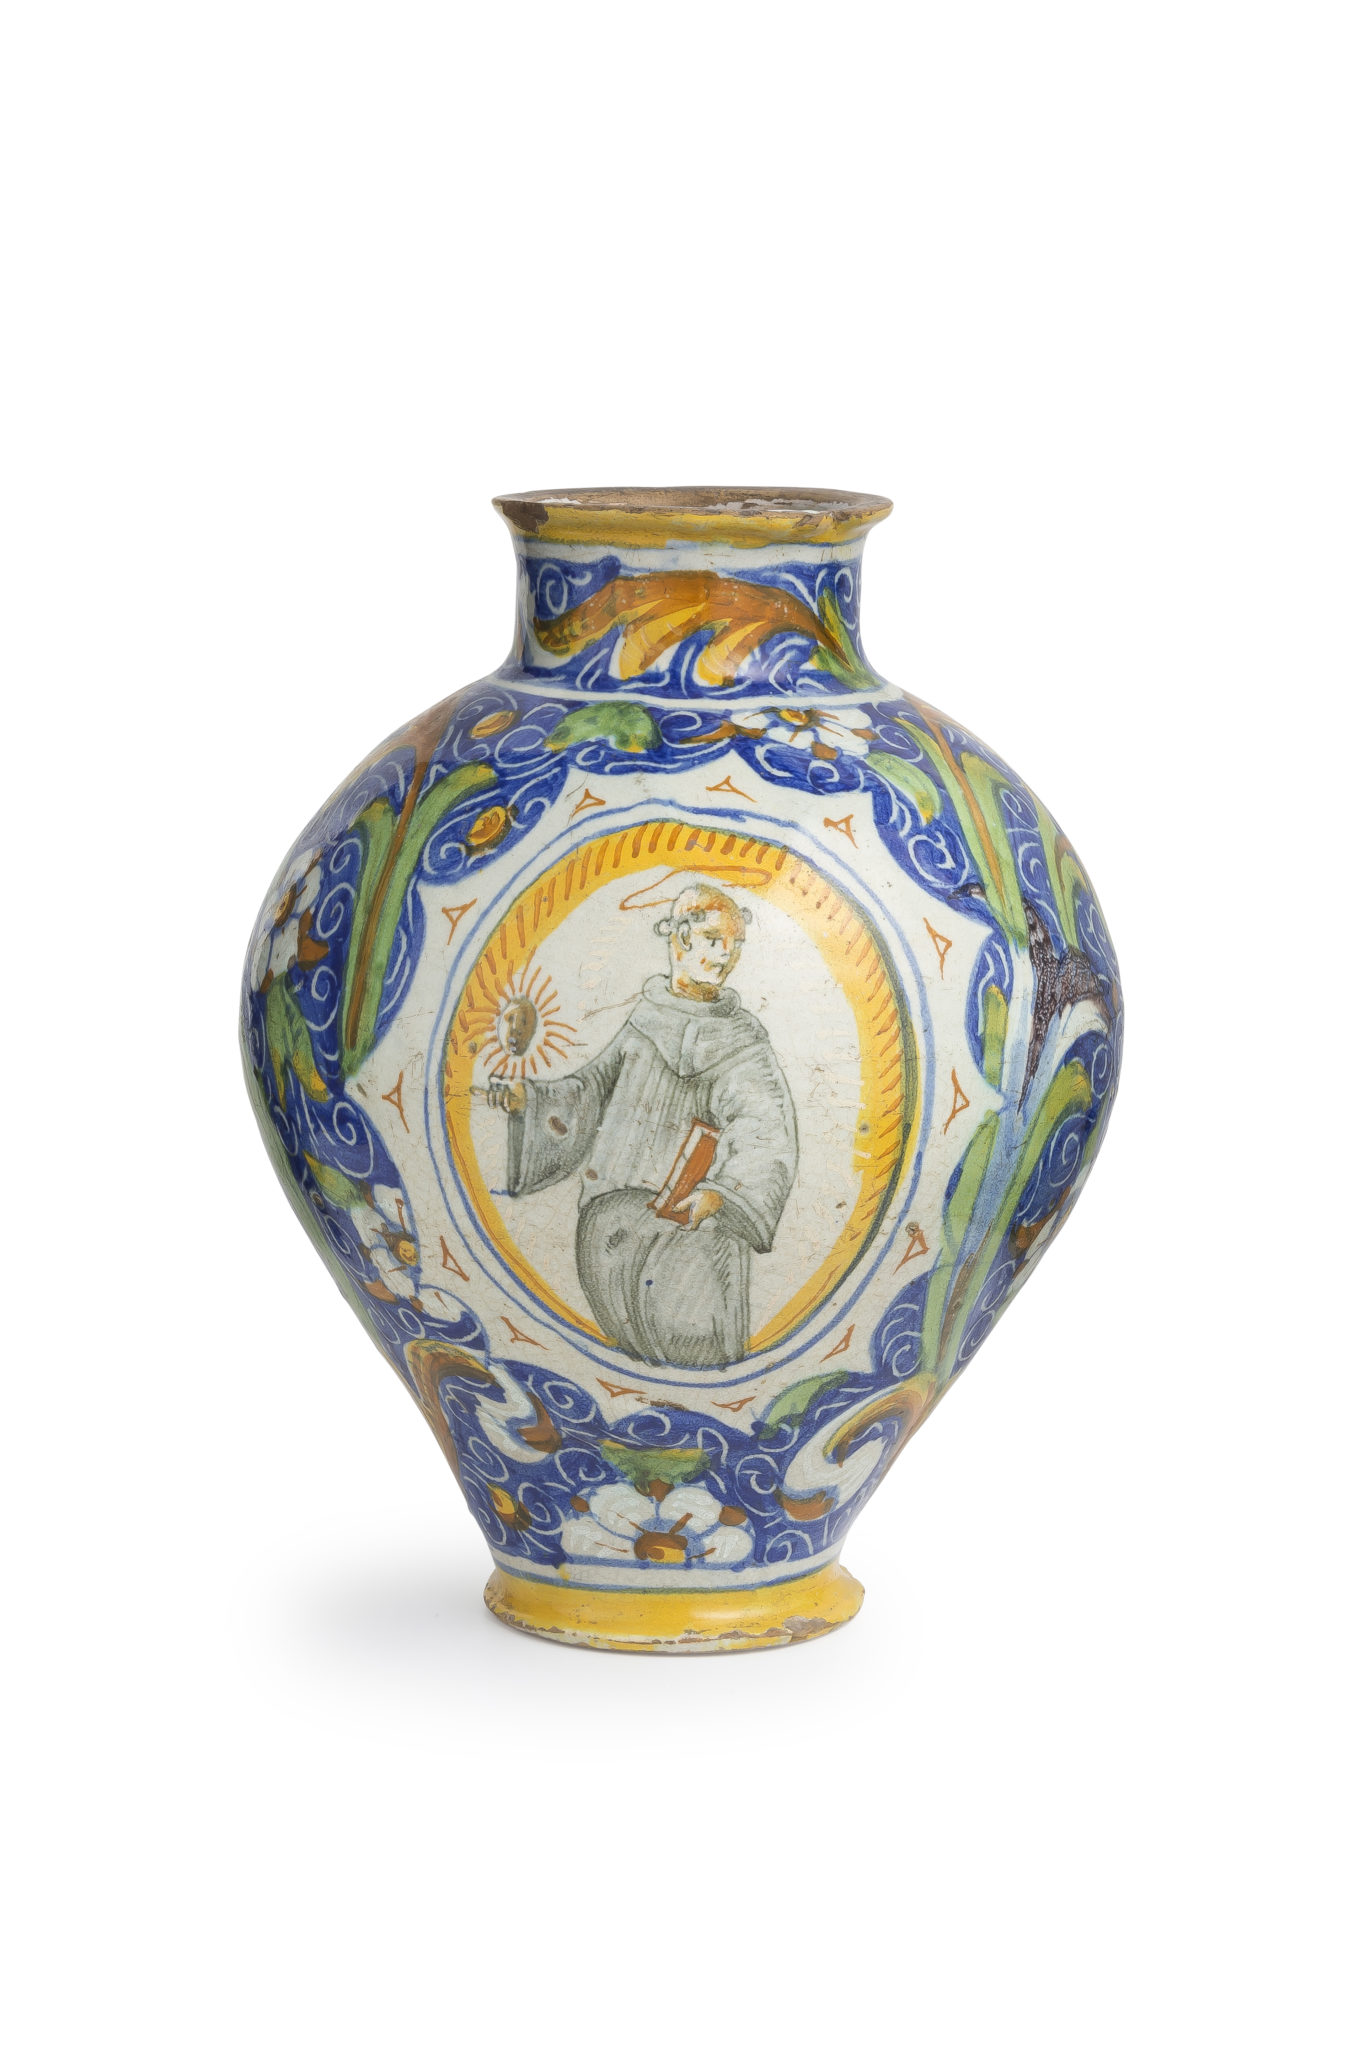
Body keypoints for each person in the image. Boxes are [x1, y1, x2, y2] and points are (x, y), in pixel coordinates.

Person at [488, 884, 797, 1368]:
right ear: (679, 939)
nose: (725, 955)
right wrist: (532, 1099)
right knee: (624, 1345)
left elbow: (764, 1128)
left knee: (694, 1345)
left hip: (693, 1229)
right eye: (712, 939)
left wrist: (722, 1195)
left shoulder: (743, 1043)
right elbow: (591, 1089)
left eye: (734, 944)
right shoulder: (646, 1018)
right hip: (615, 1222)